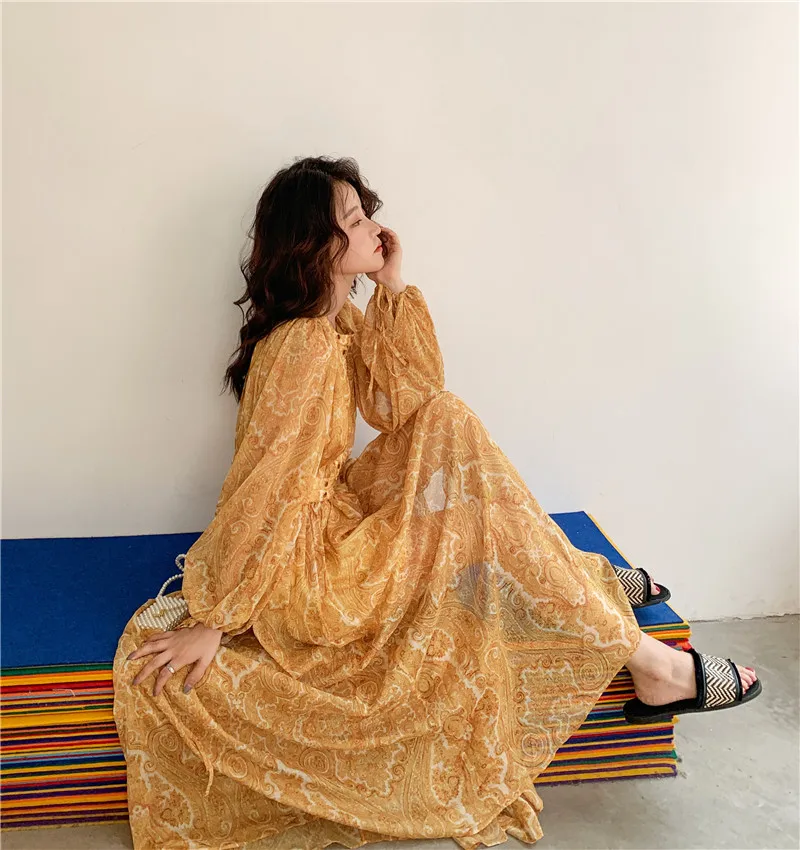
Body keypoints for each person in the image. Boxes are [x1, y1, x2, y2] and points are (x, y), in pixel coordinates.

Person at [112, 156, 761, 850]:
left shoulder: (336, 323)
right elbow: (265, 489)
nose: (375, 227)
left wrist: (391, 287)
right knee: (454, 437)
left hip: (335, 522)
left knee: (449, 428)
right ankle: (653, 664)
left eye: (367, 214)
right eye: (354, 219)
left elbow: (406, 402)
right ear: (317, 245)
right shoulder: (301, 346)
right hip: (315, 575)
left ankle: (587, 590)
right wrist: (217, 617)